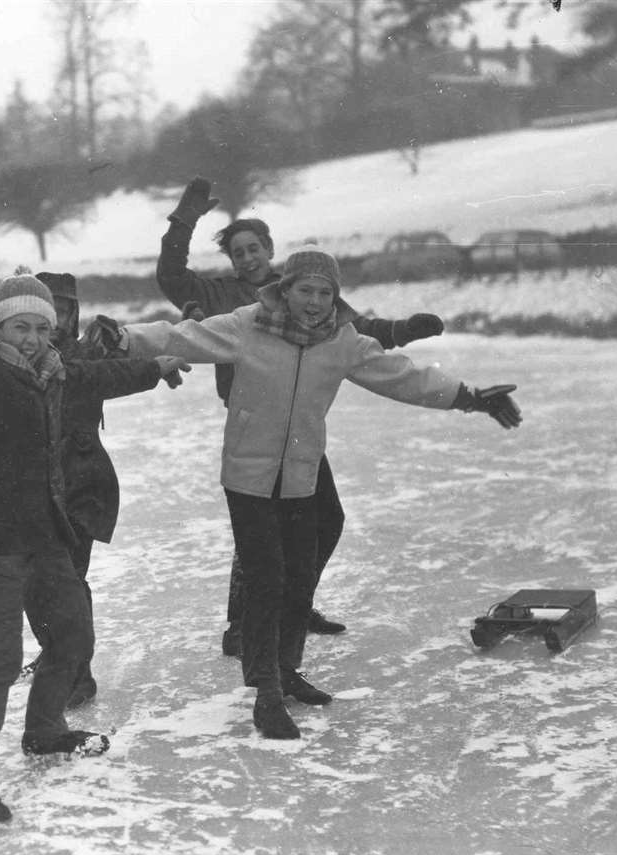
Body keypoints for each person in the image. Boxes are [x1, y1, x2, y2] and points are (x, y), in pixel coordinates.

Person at [103, 249, 521, 740]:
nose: (316, 302)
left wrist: (469, 398)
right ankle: (265, 693)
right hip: (247, 478)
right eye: (306, 290)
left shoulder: (341, 341)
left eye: (326, 293)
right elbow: (181, 336)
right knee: (267, 579)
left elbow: (402, 376)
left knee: (299, 578)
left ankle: (286, 669)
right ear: (286, 290)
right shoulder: (248, 325)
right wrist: (125, 338)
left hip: (301, 475)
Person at [0, 268, 189, 823]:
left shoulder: (56, 371)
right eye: (19, 326)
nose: (30, 338)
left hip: (48, 533)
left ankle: (45, 729)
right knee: (1, 656)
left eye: (40, 328)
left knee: (72, 634)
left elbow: (106, 375)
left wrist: (154, 368)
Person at [156, 175, 447, 656]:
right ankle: (241, 624)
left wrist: (400, 329)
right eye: (239, 253)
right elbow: (170, 275)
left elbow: (354, 329)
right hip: (255, 419)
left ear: (270, 251)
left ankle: (293, 604)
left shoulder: (296, 290)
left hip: (299, 422)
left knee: (323, 519)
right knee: (261, 528)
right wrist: (183, 220)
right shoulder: (217, 295)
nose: (247, 258)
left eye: (255, 249)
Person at [28, 271, 158, 710]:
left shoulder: (84, 354)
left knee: (67, 580)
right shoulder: (12, 356)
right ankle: (56, 650)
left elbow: (115, 371)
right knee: (35, 583)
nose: (54, 320)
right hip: (31, 490)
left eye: (62, 310)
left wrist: (156, 364)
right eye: (44, 310)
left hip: (83, 485)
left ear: (72, 312)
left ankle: (77, 671)